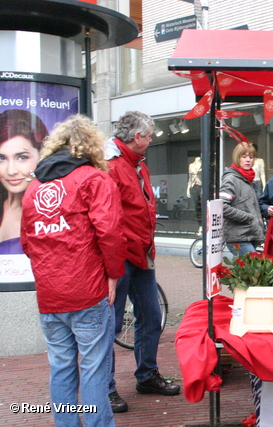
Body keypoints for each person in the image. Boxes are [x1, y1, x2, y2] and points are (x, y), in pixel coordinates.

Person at [20, 115, 127, 427]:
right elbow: (110, 234)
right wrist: (112, 275)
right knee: (94, 367)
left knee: (62, 367)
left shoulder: (34, 187)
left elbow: (28, 241)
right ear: (92, 145)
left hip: (50, 296)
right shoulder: (95, 180)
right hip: (88, 290)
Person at [105, 111, 180, 414]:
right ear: (137, 137)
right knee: (109, 325)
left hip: (141, 254)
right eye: (149, 136)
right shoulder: (112, 166)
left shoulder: (136, 163)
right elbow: (106, 218)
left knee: (151, 316)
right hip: (121, 257)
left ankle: (147, 376)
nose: (151, 140)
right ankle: (105, 389)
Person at [0, 109, 47, 254]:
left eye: (22, 157)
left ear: (42, 155)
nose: (11, 170)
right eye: (1, 158)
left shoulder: (50, 211)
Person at [220, 142, 265, 256]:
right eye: (244, 157)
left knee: (249, 272)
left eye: (251, 157)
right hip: (239, 238)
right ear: (237, 157)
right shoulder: (231, 179)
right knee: (257, 269)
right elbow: (222, 206)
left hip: (249, 236)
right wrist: (248, 217)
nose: (248, 160)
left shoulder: (247, 179)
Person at [187, 156, 203, 228]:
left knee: (203, 206)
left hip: (202, 186)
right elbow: (190, 178)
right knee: (197, 206)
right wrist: (188, 188)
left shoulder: (204, 164)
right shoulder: (191, 165)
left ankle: (204, 225)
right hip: (194, 186)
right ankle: (200, 225)